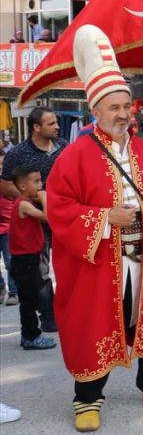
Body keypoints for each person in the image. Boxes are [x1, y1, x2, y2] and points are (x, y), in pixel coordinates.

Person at [46, 25, 143, 432]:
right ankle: (88, 397)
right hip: (99, 260)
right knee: (96, 322)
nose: (124, 114)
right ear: (96, 111)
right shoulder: (73, 156)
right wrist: (106, 217)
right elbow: (59, 208)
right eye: (114, 107)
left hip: (142, 256)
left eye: (127, 106)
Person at [2, 106, 67, 331]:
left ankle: (69, 310)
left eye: (57, 122)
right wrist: (29, 200)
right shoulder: (18, 153)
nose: (57, 126)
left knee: (70, 267)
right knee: (41, 271)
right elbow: (5, 184)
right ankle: (48, 315)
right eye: (51, 123)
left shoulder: (64, 148)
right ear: (36, 128)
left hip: (65, 218)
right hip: (36, 220)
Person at [8, 166, 56, 351]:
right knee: (28, 301)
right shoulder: (23, 204)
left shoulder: (26, 202)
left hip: (30, 260)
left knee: (33, 298)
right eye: (36, 181)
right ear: (22, 186)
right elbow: (47, 217)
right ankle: (30, 336)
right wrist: (45, 198)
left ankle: (30, 334)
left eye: (40, 180)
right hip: (24, 261)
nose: (40, 185)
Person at [0, 152, 17, 306]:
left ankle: (13, 292)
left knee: (10, 262)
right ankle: (1, 289)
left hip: (8, 228)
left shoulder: (9, 184)